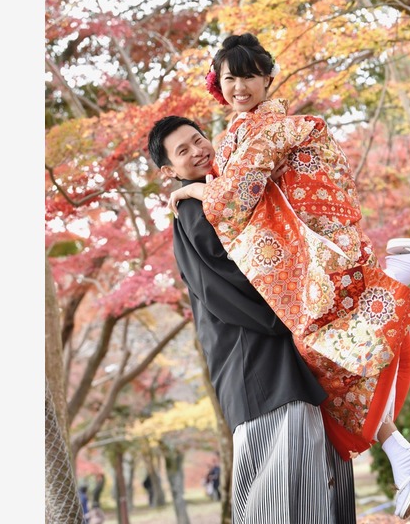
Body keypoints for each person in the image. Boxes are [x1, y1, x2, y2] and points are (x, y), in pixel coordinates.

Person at [165, 33, 410, 518]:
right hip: (309, 251)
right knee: (336, 368)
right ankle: (400, 452)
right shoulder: (249, 132)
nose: (239, 86)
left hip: (306, 256)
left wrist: (190, 194)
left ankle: (401, 273)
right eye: (230, 78)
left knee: (334, 352)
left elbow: (236, 197)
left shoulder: (267, 130)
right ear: (221, 85)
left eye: (249, 75)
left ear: (267, 78)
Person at [147, 116, 357, 524]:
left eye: (198, 140)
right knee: (281, 481)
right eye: (183, 151)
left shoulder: (220, 194)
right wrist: (291, 310)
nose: (197, 151)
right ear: (168, 171)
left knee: (307, 473)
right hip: (254, 357)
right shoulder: (191, 208)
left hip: (271, 350)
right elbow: (219, 285)